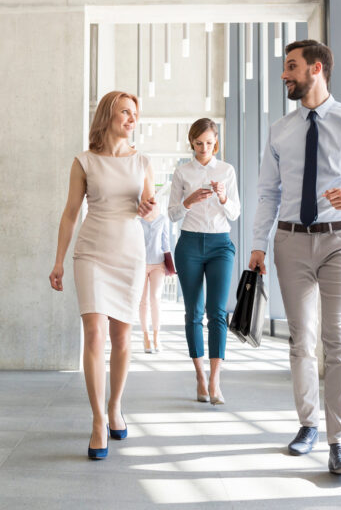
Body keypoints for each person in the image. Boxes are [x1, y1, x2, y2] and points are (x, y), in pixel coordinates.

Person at [249, 40, 341, 475]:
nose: (284, 75)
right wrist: (258, 244)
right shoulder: (280, 130)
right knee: (301, 339)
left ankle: (340, 440)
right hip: (290, 242)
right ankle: (308, 424)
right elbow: (268, 193)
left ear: (316, 69)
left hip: (340, 241)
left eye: (291, 67)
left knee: (338, 339)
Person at [49, 90, 155, 460]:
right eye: (125, 111)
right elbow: (70, 213)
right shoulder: (84, 162)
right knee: (94, 334)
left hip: (129, 255)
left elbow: (151, 212)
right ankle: (97, 421)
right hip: (91, 253)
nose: (131, 118)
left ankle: (115, 407)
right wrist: (59, 260)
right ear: (107, 115)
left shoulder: (142, 161)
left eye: (135, 113)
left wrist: (147, 208)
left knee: (121, 337)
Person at [168, 118, 240, 405]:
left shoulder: (226, 170)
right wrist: (189, 200)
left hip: (220, 244)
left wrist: (223, 197)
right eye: (198, 143)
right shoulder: (182, 172)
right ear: (191, 143)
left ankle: (215, 380)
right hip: (189, 245)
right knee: (193, 312)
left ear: (216, 142)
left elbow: (235, 213)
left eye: (209, 143)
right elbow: (172, 214)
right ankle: (199, 375)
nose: (203, 148)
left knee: (217, 312)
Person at [138, 206, 171, 353]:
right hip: (140, 264)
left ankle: (157, 336)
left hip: (158, 264)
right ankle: (146, 337)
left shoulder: (162, 219)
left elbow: (166, 242)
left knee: (155, 299)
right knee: (143, 301)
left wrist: (169, 264)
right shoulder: (137, 219)